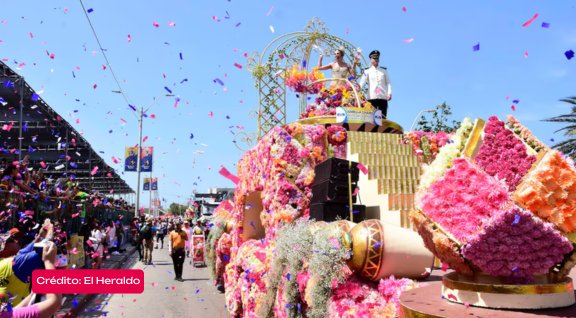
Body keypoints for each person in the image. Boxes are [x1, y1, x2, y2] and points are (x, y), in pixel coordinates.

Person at [358, 50, 392, 118]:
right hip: (372, 98)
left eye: (377, 58)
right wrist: (358, 89)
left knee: (383, 118)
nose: (376, 60)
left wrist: (389, 93)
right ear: (370, 59)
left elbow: (388, 83)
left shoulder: (384, 71)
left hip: (382, 97)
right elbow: (362, 82)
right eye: (374, 58)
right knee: (371, 119)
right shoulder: (367, 71)